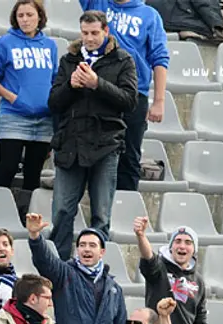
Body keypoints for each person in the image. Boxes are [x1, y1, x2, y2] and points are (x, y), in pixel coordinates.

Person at [47, 10, 138, 260]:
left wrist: (97, 83)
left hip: (106, 144)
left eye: (95, 33)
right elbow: (54, 103)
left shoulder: (123, 60)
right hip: (71, 145)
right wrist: (71, 87)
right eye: (85, 33)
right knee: (62, 211)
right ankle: (59, 267)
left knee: (101, 214)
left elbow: (130, 101)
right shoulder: (69, 60)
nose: (89, 38)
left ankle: (94, 269)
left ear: (106, 31)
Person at [79, 0, 169, 192]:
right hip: (98, 91)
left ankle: (124, 212)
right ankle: (98, 216)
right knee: (93, 153)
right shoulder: (97, 3)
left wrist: (159, 101)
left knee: (129, 157)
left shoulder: (150, 15)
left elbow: (160, 58)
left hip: (134, 93)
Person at [0, 0, 58, 204]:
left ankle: (26, 217)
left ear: (39, 17)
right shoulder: (4, 43)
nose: (25, 20)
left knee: (33, 175)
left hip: (43, 120)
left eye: (29, 15)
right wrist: (13, 98)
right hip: (14, 117)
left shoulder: (50, 46)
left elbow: (54, 79)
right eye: (20, 16)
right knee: (7, 168)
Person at [27, 213, 128, 324]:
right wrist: (35, 237)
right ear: (77, 250)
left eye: (92, 245)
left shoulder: (114, 288)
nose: (86, 249)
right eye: (82, 245)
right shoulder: (65, 274)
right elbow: (45, 262)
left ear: (102, 252)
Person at [135, 219, 207, 324]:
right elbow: (148, 258)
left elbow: (201, 322)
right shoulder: (159, 269)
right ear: (171, 247)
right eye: (178, 241)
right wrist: (141, 236)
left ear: (194, 249)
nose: (182, 246)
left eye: (188, 242)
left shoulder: (198, 281)